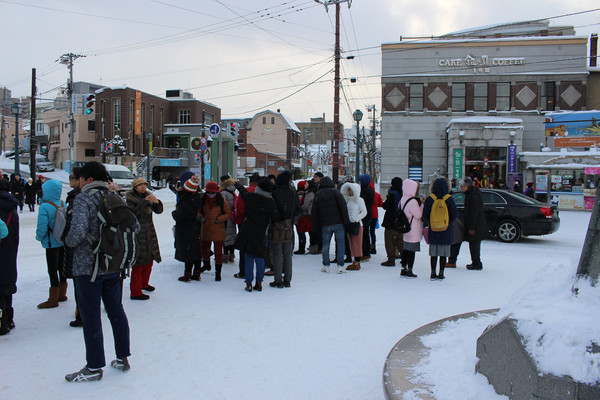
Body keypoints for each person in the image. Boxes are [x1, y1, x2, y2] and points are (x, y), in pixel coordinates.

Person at [64, 162, 131, 382]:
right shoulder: (115, 197)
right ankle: (122, 358)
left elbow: (77, 233)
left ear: (89, 180)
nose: (79, 183)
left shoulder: (84, 199)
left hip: (88, 267)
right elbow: (133, 227)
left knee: (91, 316)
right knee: (116, 311)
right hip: (113, 264)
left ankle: (93, 367)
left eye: (81, 179)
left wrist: (66, 240)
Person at [234, 178, 278, 292]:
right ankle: (259, 282)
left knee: (249, 256)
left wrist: (237, 185)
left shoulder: (251, 198)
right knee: (260, 257)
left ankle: (248, 282)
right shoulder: (271, 202)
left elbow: (243, 192)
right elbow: (275, 217)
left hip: (248, 230)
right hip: (262, 232)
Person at [126, 177, 163, 300]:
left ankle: (144, 283)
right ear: (135, 187)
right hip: (137, 233)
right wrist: (144, 202)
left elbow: (159, 211)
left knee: (149, 259)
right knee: (139, 262)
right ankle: (135, 292)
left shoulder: (148, 195)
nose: (143, 187)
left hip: (149, 232)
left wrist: (157, 202)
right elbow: (133, 214)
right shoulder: (130, 199)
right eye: (140, 185)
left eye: (145, 185)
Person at [35, 179, 67, 309]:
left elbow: (42, 226)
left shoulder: (44, 207)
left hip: (51, 242)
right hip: (62, 241)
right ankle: (62, 293)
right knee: (62, 268)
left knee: (52, 270)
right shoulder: (62, 203)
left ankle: (53, 298)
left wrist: (39, 237)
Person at [311, 176, 350, 274]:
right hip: (338, 223)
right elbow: (343, 207)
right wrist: (346, 221)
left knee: (326, 245)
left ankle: (326, 265)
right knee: (340, 244)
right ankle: (340, 266)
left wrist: (314, 225)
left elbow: (314, 212)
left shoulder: (318, 194)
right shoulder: (336, 192)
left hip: (325, 224)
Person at [268, 171, 299, 288]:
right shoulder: (292, 193)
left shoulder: (274, 193)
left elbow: (271, 210)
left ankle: (278, 280)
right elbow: (298, 209)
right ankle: (287, 279)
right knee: (287, 254)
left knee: (276, 253)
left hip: (276, 226)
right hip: (288, 225)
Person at [423, 177, 458, 280]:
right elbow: (454, 215)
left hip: (434, 229)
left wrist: (431, 221)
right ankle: (441, 273)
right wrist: (447, 222)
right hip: (446, 229)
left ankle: (433, 272)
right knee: (443, 254)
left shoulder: (430, 198)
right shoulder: (449, 198)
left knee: (433, 254)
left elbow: (425, 215)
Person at [172, 172, 203, 282]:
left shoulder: (185, 202)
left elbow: (180, 216)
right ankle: (197, 273)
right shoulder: (197, 198)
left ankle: (187, 274)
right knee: (196, 251)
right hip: (196, 228)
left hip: (186, 229)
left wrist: (174, 213)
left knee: (188, 252)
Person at [198, 181, 231, 282]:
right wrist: (202, 218)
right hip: (206, 228)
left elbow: (228, 213)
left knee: (218, 252)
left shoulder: (221, 200)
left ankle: (218, 272)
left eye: (212, 193)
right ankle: (206, 265)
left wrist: (219, 219)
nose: (210, 195)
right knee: (204, 249)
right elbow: (199, 212)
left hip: (218, 229)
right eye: (209, 192)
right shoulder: (203, 199)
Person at [63, 167, 83, 327]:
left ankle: (81, 314)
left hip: (79, 251)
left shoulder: (78, 198)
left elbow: (75, 229)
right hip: (81, 251)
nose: (70, 180)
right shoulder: (76, 196)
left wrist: (66, 239)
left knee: (81, 283)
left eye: (72, 178)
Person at [0, 177, 18, 336]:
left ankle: (2, 322)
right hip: (10, 248)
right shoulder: (11, 205)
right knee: (7, 283)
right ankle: (9, 319)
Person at [233, 173, 260, 279]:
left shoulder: (246, 191)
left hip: (245, 222)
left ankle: (243, 271)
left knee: (244, 247)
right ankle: (259, 273)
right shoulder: (262, 191)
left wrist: (239, 221)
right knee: (257, 247)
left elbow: (240, 208)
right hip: (258, 223)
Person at [461, 177, 487, 270]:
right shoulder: (471, 194)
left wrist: (472, 227)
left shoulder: (474, 196)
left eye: (462, 186)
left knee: (474, 244)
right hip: (475, 224)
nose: (461, 188)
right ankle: (475, 262)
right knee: (473, 244)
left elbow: (474, 212)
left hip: (476, 225)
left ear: (467, 186)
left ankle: (476, 263)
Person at [400, 179, 423, 278]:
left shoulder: (402, 199)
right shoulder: (413, 201)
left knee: (405, 249)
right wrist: (422, 205)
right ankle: (410, 270)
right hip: (413, 229)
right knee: (411, 251)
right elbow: (418, 215)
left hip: (405, 228)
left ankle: (403, 268)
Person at [341, 182, 367, 271]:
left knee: (357, 244)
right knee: (351, 244)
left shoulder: (360, 200)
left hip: (357, 225)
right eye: (349, 190)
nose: (350, 191)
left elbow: (364, 212)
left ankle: (357, 262)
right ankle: (354, 261)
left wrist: (355, 219)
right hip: (349, 225)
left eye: (351, 190)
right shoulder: (348, 200)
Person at [381, 177, 404, 267]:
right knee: (400, 239)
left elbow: (385, 205)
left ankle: (391, 259)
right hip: (400, 220)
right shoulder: (403, 193)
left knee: (389, 240)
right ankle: (404, 257)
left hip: (391, 220)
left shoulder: (392, 194)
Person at [219, 177, 238, 264]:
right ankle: (231, 254)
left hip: (225, 217)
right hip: (232, 216)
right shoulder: (233, 193)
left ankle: (225, 255)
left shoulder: (223, 193)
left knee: (225, 236)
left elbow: (222, 206)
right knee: (232, 236)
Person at [358, 174, 374, 262]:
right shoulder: (370, 190)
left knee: (364, 234)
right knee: (365, 233)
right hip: (368, 214)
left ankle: (365, 252)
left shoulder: (364, 191)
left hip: (364, 215)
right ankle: (365, 252)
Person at [294, 180, 312, 254]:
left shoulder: (296, 194)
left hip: (298, 216)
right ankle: (303, 247)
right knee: (304, 232)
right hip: (303, 216)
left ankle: (301, 248)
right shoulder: (305, 194)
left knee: (300, 232)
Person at [369, 181, 383, 255]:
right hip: (374, 214)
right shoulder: (377, 194)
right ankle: (373, 247)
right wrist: (375, 205)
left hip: (367, 214)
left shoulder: (364, 193)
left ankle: (366, 246)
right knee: (372, 231)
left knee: (366, 231)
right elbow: (381, 204)